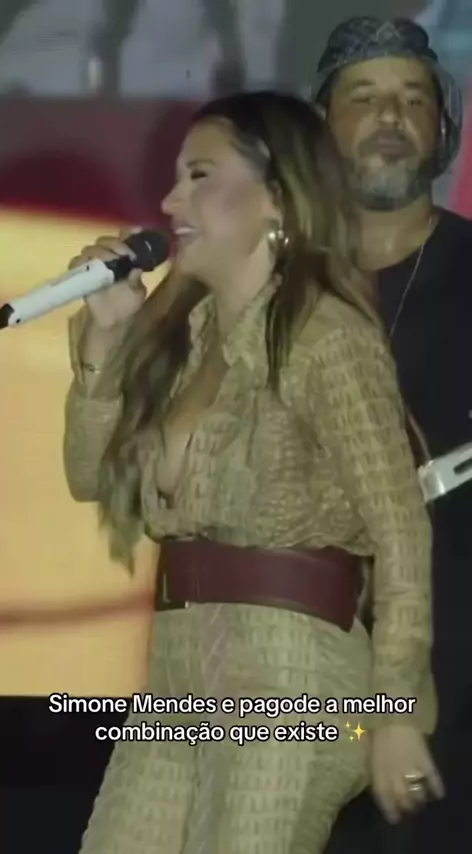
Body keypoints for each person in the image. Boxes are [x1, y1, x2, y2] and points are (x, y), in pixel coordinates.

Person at [62, 90, 441, 854]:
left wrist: (394, 710)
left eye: (199, 176)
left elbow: (400, 529)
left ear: (277, 197)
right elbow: (89, 478)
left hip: (292, 676)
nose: (171, 201)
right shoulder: (186, 339)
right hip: (178, 678)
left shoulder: (326, 339)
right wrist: (104, 346)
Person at [312, 16, 472, 854]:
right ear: (320, 126)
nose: (390, 117)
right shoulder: (271, 290)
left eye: (413, 99)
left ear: (442, 128)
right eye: (365, 97)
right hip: (302, 673)